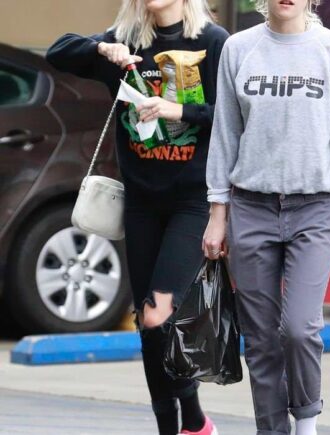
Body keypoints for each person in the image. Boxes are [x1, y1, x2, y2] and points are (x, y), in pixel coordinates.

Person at [46, 1, 228, 434]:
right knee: (146, 326)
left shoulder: (212, 42)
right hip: (141, 202)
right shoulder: (125, 42)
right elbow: (57, 52)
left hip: (192, 199)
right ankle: (176, 426)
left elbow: (231, 116)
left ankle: (197, 422)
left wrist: (176, 111)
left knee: (157, 315)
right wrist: (100, 51)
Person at [203, 1, 330, 434]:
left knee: (299, 328)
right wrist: (217, 213)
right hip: (250, 207)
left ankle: (307, 419)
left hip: (314, 208)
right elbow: (225, 133)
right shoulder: (239, 49)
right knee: (260, 340)